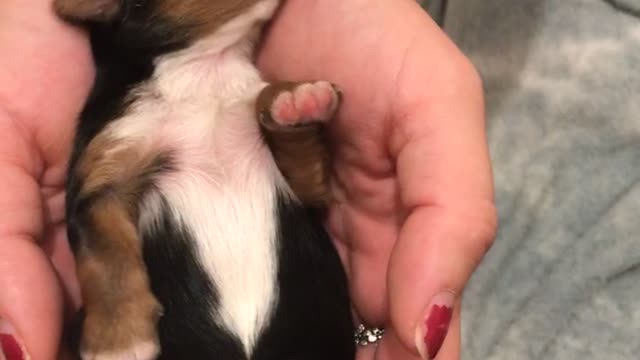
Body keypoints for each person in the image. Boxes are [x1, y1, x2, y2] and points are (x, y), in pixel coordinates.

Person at [0, 0, 496, 359]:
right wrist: (114, 312)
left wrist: (294, 139)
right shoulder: (123, 122)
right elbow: (98, 210)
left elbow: (312, 195)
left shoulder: (262, 96)